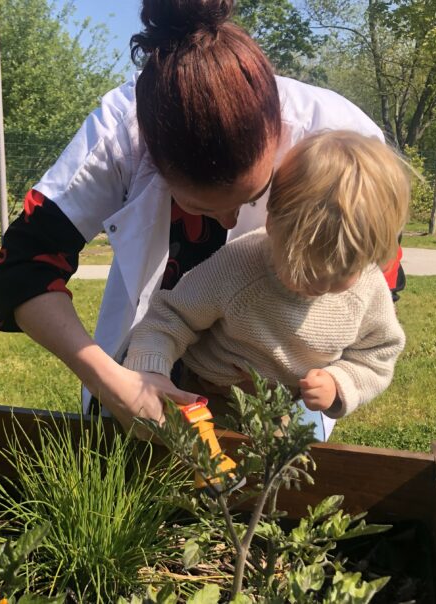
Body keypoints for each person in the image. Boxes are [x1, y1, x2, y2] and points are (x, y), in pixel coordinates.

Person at [0, 0, 403, 435]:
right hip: (149, 362)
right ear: (151, 159)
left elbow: (379, 280)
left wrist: (329, 379)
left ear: (278, 131)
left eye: (256, 196)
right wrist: (110, 381)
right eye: (201, 208)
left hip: (284, 404)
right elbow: (23, 268)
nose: (229, 222)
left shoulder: (344, 140)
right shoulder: (120, 134)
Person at [122, 131, 409, 441]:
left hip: (284, 406)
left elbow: (377, 353)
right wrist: (150, 371)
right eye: (305, 272)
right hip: (210, 394)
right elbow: (172, 316)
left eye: (343, 274)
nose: (322, 286)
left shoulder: (367, 289)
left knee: (275, 466)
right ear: (272, 223)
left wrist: (339, 382)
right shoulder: (240, 266)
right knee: (195, 461)